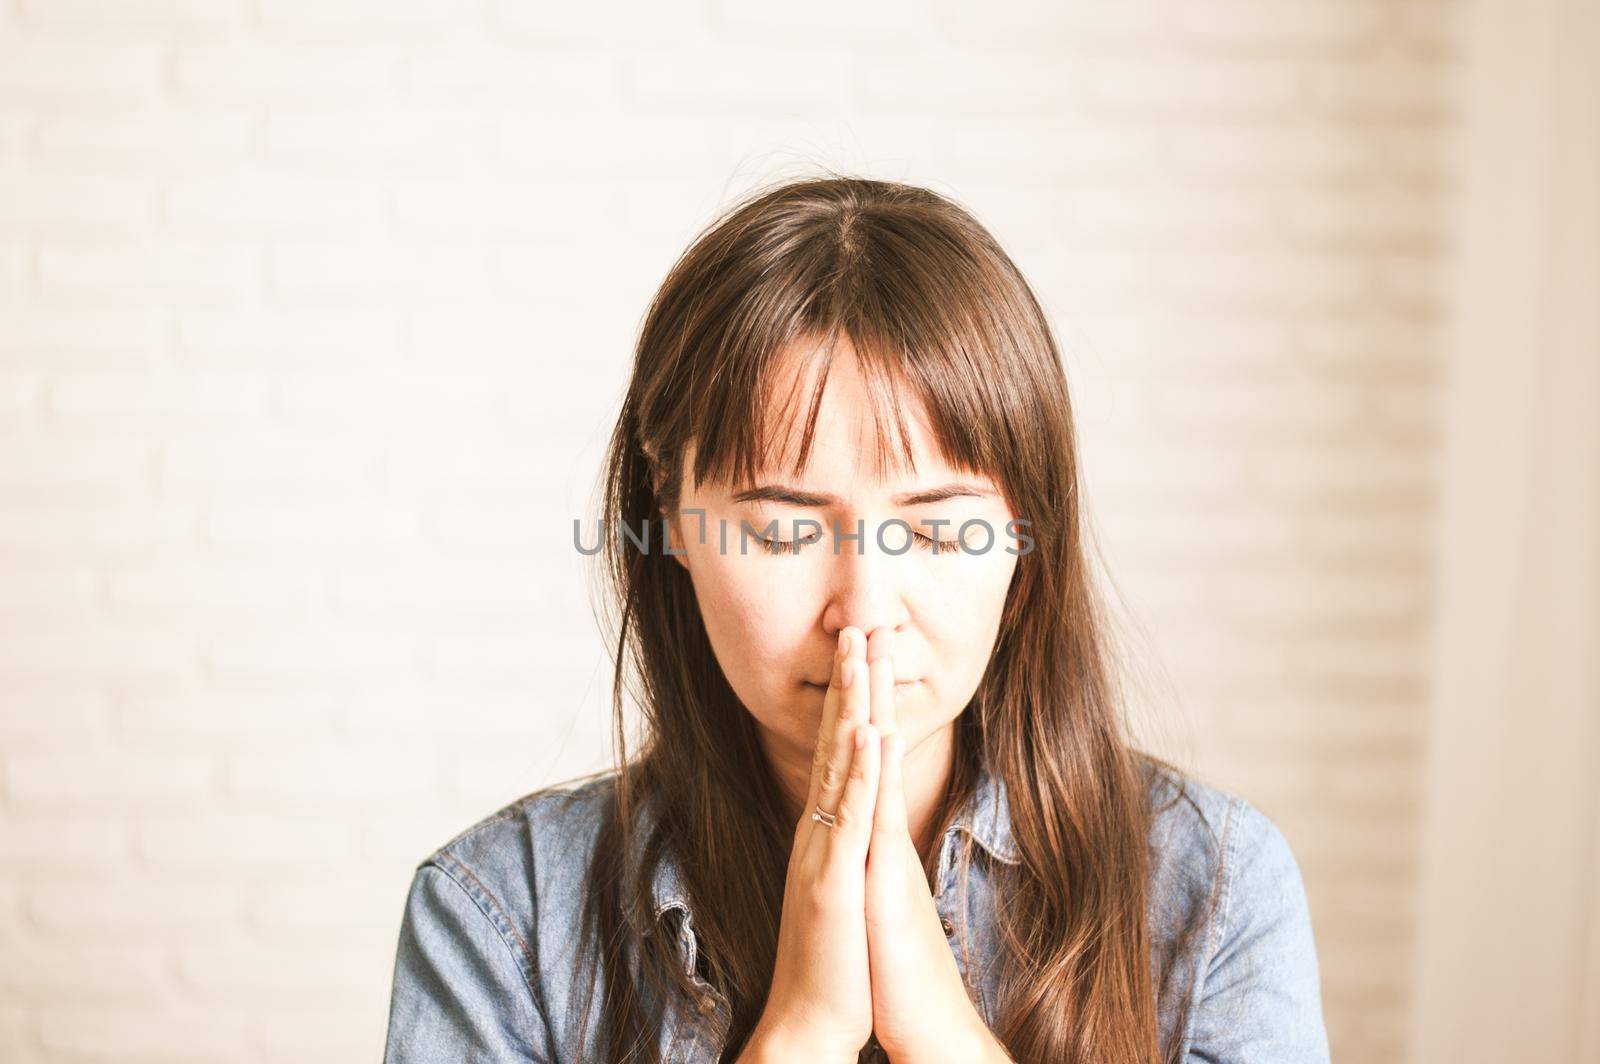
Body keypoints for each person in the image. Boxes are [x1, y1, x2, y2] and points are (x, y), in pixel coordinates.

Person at [380, 174, 1331, 1063]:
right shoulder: (501, 913)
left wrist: (936, 1024)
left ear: (1023, 542)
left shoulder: (1212, 888)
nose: (865, 613)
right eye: (787, 531)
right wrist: (804, 1028)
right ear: (671, 522)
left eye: (941, 531)